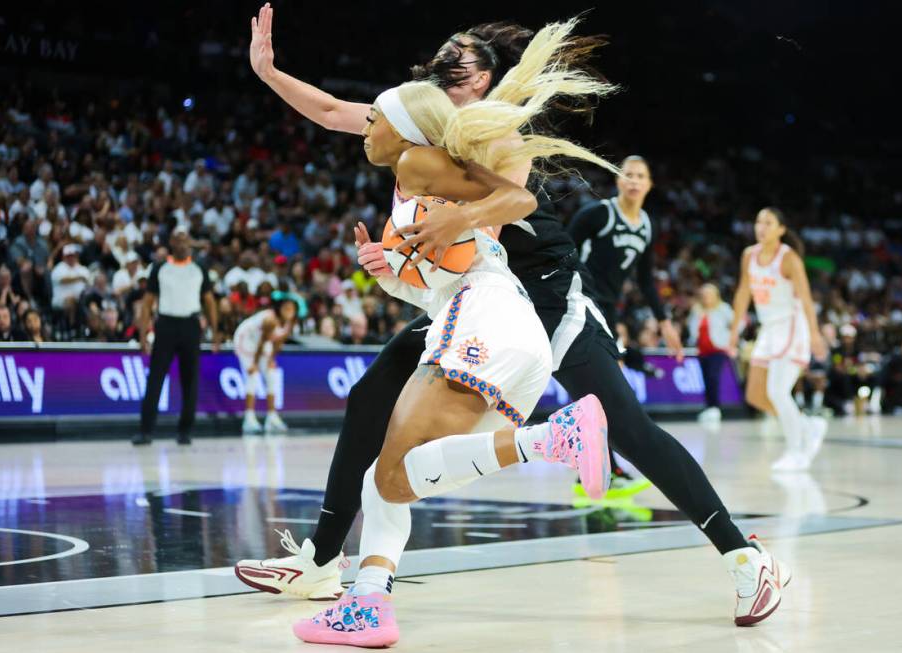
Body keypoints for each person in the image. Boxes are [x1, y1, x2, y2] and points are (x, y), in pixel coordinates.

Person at [238, 5, 790, 633]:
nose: (448, 55)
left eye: (463, 54)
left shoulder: (502, 136)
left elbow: (486, 232)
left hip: (536, 295)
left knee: (628, 431)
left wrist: (415, 248)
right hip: (470, 295)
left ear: (483, 78)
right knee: (370, 400)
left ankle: (746, 557)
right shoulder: (418, 119)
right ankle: (323, 561)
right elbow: (337, 112)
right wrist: (269, 72)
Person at [567, 155, 684, 489]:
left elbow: (646, 280)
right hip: (581, 301)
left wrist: (665, 322)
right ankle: (605, 469)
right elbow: (561, 248)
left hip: (609, 308)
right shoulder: (598, 213)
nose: (633, 180)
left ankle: (596, 469)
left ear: (649, 184)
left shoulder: (647, 224)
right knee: (607, 390)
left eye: (640, 176)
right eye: (628, 174)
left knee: (599, 393)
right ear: (618, 180)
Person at [729, 208, 828, 472]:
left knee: (777, 392)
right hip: (769, 328)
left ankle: (797, 452)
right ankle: (808, 425)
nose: (761, 227)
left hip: (792, 325)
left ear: (781, 230)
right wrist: (733, 331)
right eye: (758, 221)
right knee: (756, 396)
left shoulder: (788, 258)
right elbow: (742, 293)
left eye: (768, 222)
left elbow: (806, 298)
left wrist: (815, 333)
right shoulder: (749, 255)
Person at [135, 227, 221, 446]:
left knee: (190, 380)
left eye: (185, 239)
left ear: (189, 243)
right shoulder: (160, 268)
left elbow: (210, 302)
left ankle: (185, 431)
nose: (182, 243)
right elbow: (147, 304)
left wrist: (215, 332)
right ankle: (146, 431)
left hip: (191, 325)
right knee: (155, 378)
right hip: (165, 325)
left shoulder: (199, 267)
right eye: (178, 240)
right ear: (171, 243)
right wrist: (143, 334)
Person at [234, 291, 303, 434]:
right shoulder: (270, 320)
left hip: (261, 342)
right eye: (286, 308)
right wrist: (254, 364)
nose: (289, 311)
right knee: (252, 376)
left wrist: (271, 359)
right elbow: (261, 343)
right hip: (246, 339)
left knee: (272, 374)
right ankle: (249, 418)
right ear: (279, 309)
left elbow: (278, 342)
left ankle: (272, 417)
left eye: (292, 309)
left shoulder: (291, 322)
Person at [688, 283, 734, 422]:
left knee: (713, 377)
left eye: (708, 294)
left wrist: (729, 339)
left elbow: (738, 324)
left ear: (716, 295)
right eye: (704, 295)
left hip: (717, 349)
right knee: (706, 378)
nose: (706, 297)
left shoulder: (723, 309)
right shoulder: (697, 310)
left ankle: (715, 407)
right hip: (702, 350)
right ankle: (709, 407)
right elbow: (692, 328)